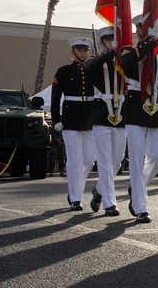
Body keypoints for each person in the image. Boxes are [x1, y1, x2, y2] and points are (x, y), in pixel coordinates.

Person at [118, 18, 158, 223]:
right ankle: (140, 206)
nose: (145, 29)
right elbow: (125, 63)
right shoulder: (129, 50)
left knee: (157, 158)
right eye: (142, 27)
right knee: (137, 158)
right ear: (138, 29)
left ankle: (137, 185)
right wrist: (148, 42)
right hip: (134, 108)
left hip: (156, 109)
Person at [51, 37, 97, 211]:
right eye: (79, 50)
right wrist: (57, 120)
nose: (83, 53)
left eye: (85, 50)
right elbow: (56, 98)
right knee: (74, 161)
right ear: (73, 52)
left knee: (89, 160)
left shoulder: (94, 69)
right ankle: (76, 197)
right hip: (71, 120)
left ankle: (76, 189)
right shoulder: (63, 71)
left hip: (91, 120)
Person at [85, 26, 125, 217]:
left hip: (121, 115)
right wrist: (111, 52)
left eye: (114, 38)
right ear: (102, 41)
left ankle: (99, 190)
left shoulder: (123, 60)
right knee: (104, 160)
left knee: (116, 160)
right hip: (101, 114)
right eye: (108, 38)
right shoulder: (96, 60)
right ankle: (110, 202)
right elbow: (89, 67)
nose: (111, 40)